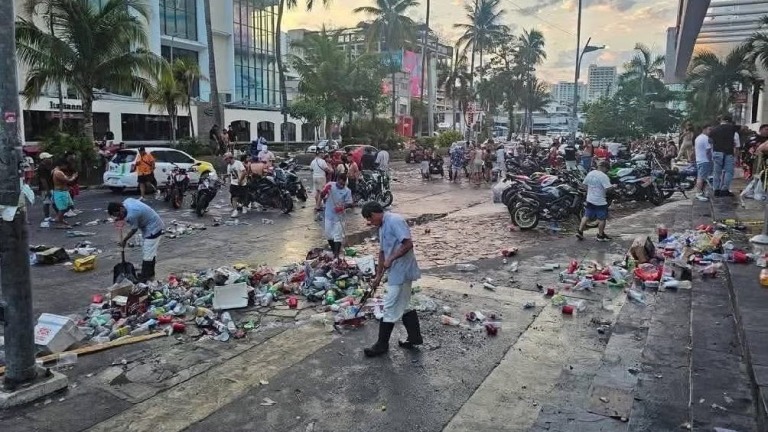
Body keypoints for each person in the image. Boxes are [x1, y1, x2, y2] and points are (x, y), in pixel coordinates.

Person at [361, 201, 423, 357]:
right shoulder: (382, 226)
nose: (369, 222)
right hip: (395, 271)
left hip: (402, 270)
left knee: (389, 305)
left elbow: (408, 244)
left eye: (369, 218)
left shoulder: (395, 220)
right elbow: (382, 253)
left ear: (374, 214)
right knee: (405, 304)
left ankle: (382, 345)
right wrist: (378, 275)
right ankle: (415, 337)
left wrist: (392, 258)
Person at [108, 199, 165, 282]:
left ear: (121, 208)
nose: (119, 217)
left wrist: (124, 240)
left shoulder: (132, 215)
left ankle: (144, 277)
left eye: (119, 214)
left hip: (154, 228)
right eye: (116, 216)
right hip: (148, 226)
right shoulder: (127, 202)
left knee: (148, 254)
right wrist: (120, 218)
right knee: (149, 252)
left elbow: (134, 229)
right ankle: (150, 274)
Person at [576, 160, 614, 242]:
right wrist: (614, 186)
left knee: (586, 216)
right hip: (600, 201)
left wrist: (590, 191)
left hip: (590, 199)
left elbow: (584, 185)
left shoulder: (591, 173)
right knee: (602, 219)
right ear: (604, 168)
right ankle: (600, 236)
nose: (607, 171)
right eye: (607, 169)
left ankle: (580, 232)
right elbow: (608, 189)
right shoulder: (603, 176)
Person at [321, 173, 354, 261]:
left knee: (337, 236)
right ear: (337, 180)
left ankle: (336, 254)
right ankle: (334, 251)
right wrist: (325, 191)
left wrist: (343, 207)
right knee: (328, 235)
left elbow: (350, 204)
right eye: (340, 183)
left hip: (340, 217)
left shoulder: (347, 191)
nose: (341, 186)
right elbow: (321, 196)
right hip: (329, 215)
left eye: (343, 184)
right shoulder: (330, 185)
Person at [710, 115, 741, 197]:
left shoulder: (714, 130)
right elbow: (742, 128)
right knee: (729, 172)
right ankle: (724, 190)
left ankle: (716, 190)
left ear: (721, 120)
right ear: (729, 121)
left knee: (716, 172)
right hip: (728, 152)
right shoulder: (733, 129)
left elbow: (710, 141)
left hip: (717, 152)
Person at [51, 158, 78, 227]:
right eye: (66, 165)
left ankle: (60, 219)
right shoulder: (58, 172)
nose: (66, 167)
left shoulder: (57, 171)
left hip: (63, 191)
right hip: (60, 192)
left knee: (69, 206)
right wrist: (74, 176)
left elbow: (64, 180)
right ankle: (59, 221)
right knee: (63, 208)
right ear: (62, 165)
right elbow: (68, 180)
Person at [224, 152, 248, 217]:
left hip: (242, 183)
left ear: (230, 158)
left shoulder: (238, 163)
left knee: (243, 196)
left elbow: (244, 172)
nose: (225, 161)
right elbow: (230, 175)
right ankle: (235, 210)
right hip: (234, 183)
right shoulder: (228, 166)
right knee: (234, 197)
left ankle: (244, 206)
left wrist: (240, 180)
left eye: (226, 159)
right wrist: (226, 179)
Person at [694, 124, 713, 202]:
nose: (710, 131)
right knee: (701, 178)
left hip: (699, 160)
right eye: (709, 129)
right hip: (705, 160)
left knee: (702, 177)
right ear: (704, 129)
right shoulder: (706, 138)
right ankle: (698, 193)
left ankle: (701, 192)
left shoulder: (698, 138)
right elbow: (708, 151)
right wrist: (710, 160)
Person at [310, 151, 332, 216]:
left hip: (314, 177)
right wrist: (331, 170)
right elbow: (327, 169)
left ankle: (318, 205)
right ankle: (318, 207)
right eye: (322, 153)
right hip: (321, 177)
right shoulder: (322, 161)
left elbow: (311, 169)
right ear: (319, 154)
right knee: (322, 192)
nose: (323, 154)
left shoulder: (313, 161)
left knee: (317, 191)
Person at [37, 152, 55, 227]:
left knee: (50, 202)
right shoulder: (41, 168)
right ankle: (47, 217)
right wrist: (47, 190)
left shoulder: (47, 166)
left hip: (50, 186)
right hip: (46, 188)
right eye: (48, 158)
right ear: (44, 159)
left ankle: (48, 216)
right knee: (46, 202)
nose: (50, 159)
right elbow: (43, 180)